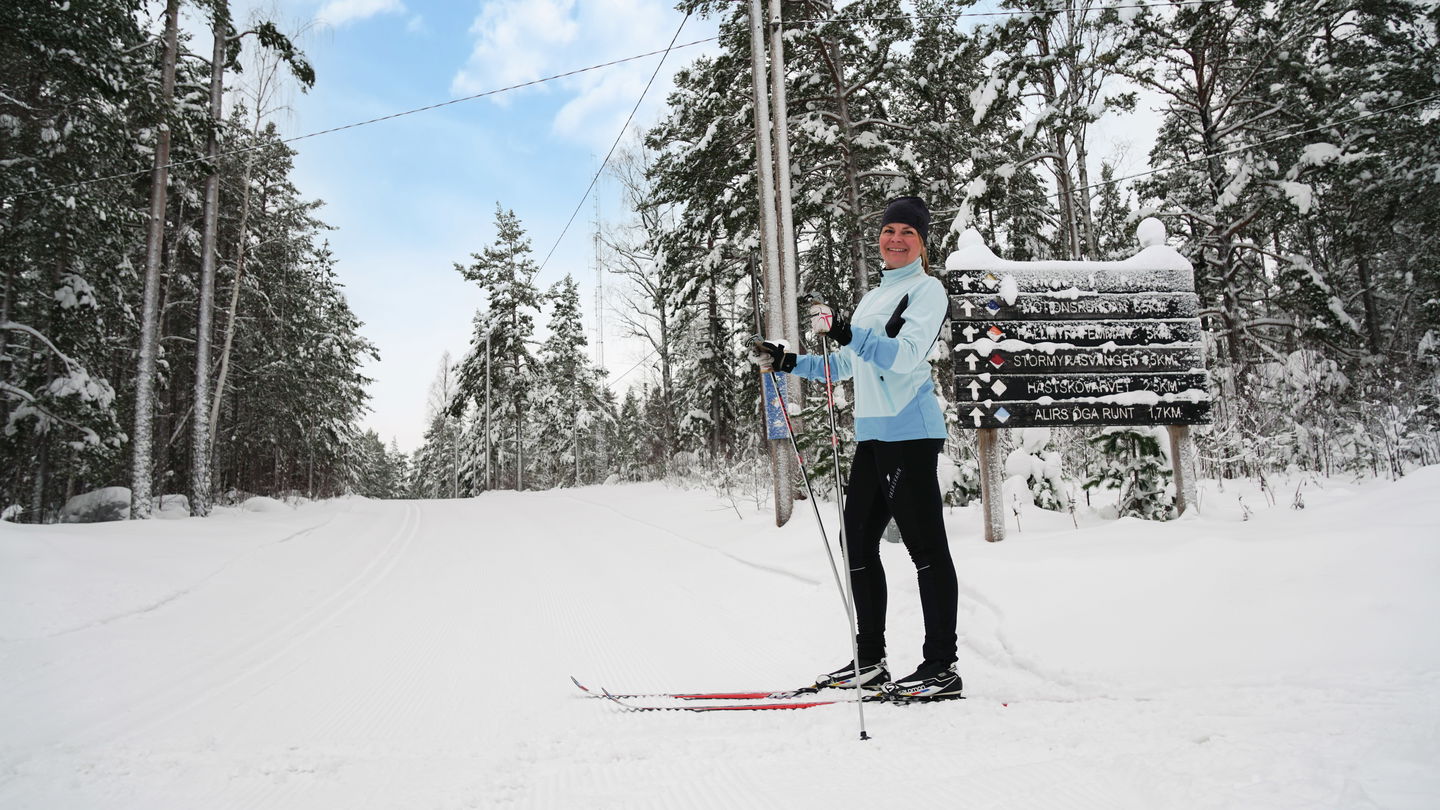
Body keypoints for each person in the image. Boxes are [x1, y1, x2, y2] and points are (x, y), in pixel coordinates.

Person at [750, 196, 962, 700]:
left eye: (907, 232)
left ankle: (941, 668)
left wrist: (852, 333)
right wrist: (787, 361)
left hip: (909, 433)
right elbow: (846, 365)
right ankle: (870, 661)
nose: (896, 239)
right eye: (889, 230)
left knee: (926, 551)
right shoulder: (873, 297)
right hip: (874, 434)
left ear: (922, 242)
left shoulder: (926, 291)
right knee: (857, 545)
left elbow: (906, 357)